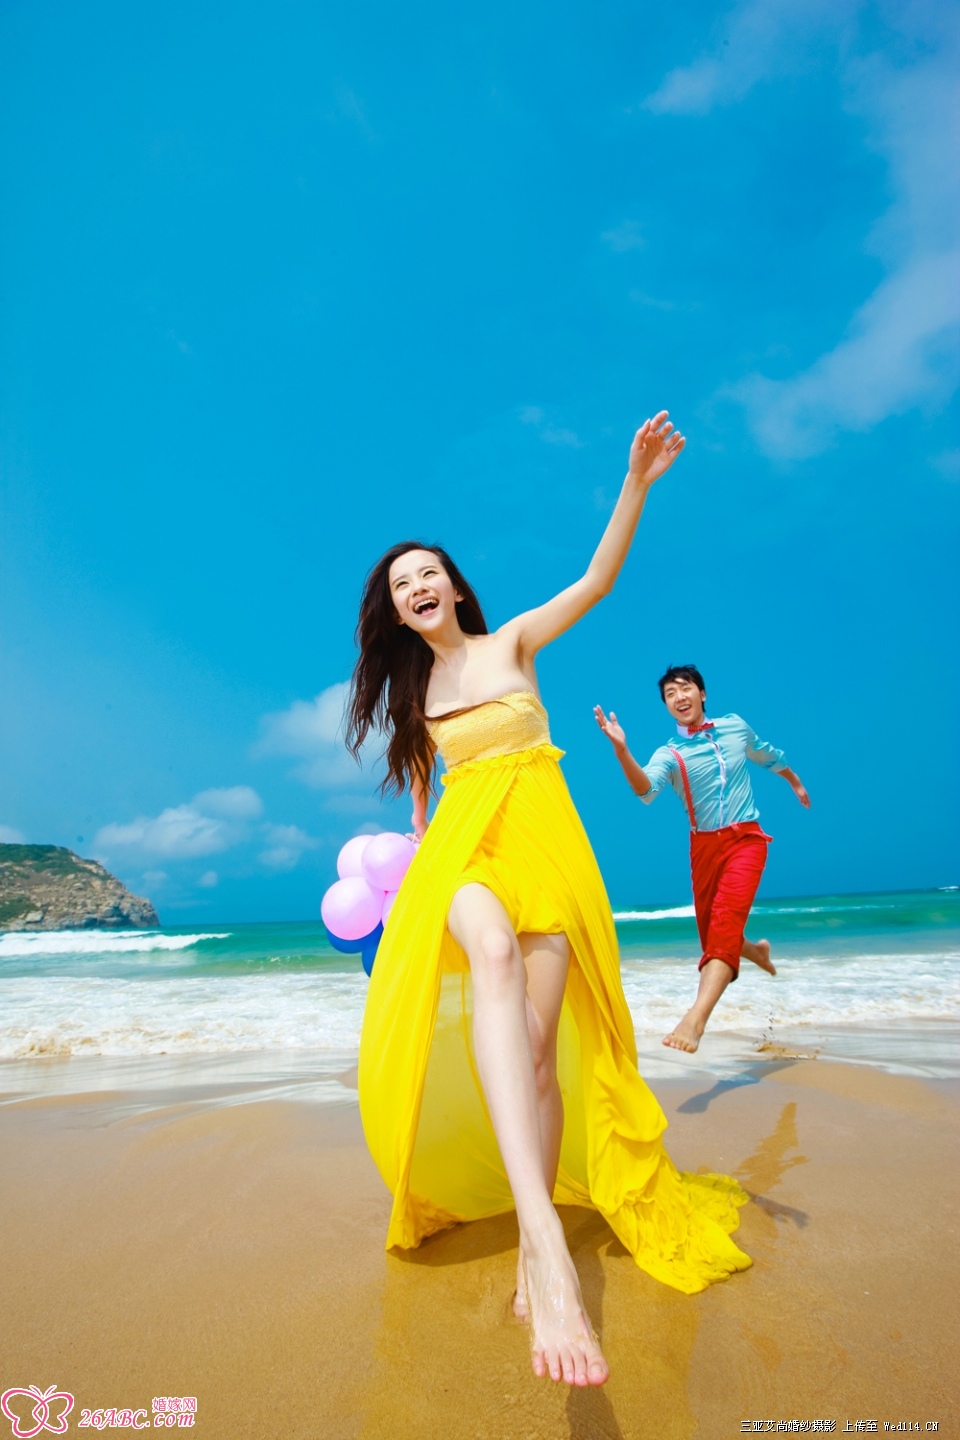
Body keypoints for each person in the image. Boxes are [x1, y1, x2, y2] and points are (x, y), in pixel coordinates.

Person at [348, 417, 752, 1393]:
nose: (418, 587)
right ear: (396, 613)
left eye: (428, 573)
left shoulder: (513, 642)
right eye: (402, 585)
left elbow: (597, 580)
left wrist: (637, 482)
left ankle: (541, 1232)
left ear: (453, 587)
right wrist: (410, 874)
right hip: (462, 860)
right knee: (487, 953)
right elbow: (425, 805)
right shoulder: (416, 698)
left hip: (547, 856)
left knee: (537, 1053)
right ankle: (545, 1244)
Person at [594, 665, 810, 1054]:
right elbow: (646, 790)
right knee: (717, 936)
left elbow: (767, 754)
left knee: (722, 932)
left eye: (685, 688)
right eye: (670, 694)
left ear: (702, 693)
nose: (679, 697)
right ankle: (755, 950)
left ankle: (695, 1019)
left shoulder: (735, 726)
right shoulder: (670, 753)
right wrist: (622, 751)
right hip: (704, 850)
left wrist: (793, 781)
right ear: (666, 706)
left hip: (747, 840)